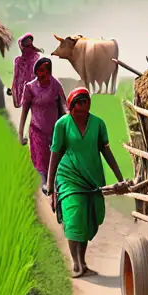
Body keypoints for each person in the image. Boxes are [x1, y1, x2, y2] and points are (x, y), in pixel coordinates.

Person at [46, 86, 127, 277]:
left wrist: (120, 179)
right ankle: (76, 264)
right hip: (69, 177)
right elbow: (55, 155)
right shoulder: (62, 125)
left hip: (92, 178)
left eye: (86, 102)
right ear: (71, 107)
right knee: (74, 218)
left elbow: (106, 151)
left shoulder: (98, 124)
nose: (84, 107)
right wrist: (50, 188)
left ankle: (82, 261)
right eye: (79, 104)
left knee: (87, 220)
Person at [19, 56, 67, 192]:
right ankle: (44, 182)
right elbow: (24, 111)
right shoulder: (30, 88)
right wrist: (20, 133)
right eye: (39, 72)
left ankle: (58, 182)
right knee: (41, 160)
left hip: (54, 129)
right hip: (37, 130)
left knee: (55, 156)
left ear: (49, 71)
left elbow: (63, 104)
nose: (42, 75)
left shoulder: (56, 85)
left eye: (45, 72)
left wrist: (69, 114)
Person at [10, 33, 41, 109]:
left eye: (30, 45)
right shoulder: (18, 61)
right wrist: (14, 93)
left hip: (36, 91)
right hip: (24, 91)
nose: (28, 48)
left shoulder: (37, 58)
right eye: (26, 46)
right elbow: (16, 79)